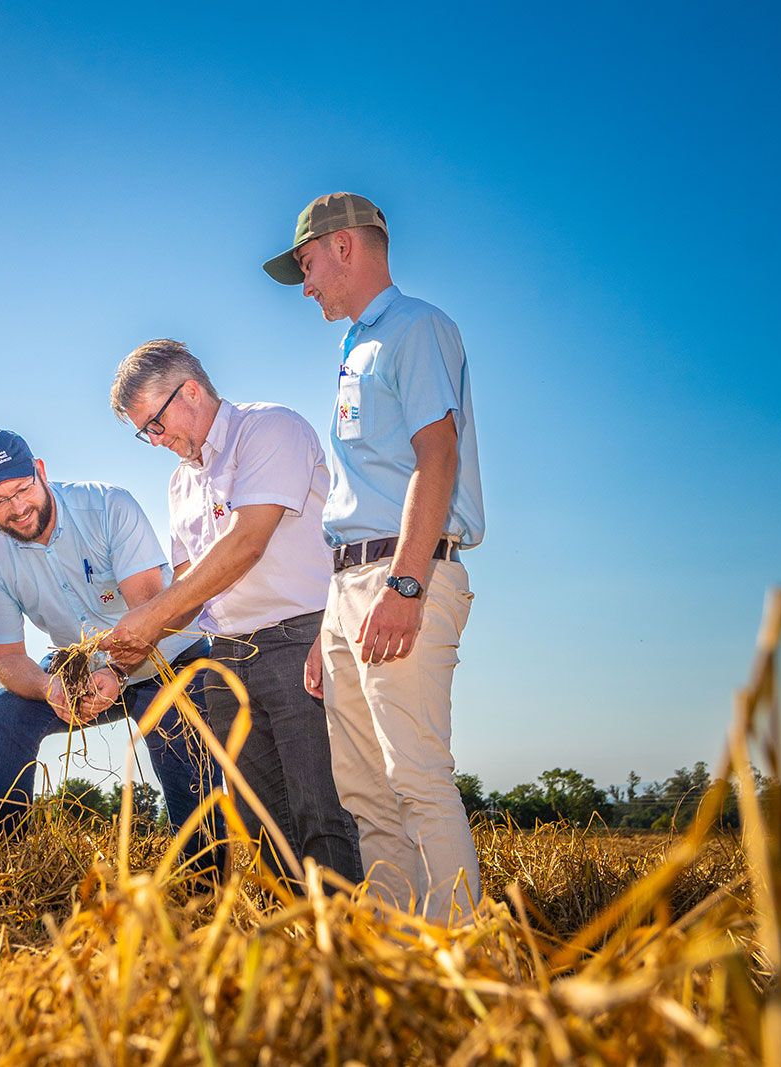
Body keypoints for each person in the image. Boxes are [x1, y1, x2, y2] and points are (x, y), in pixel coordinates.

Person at [263, 192, 486, 922]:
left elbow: (437, 453)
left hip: (402, 573)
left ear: (345, 246)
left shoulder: (415, 327)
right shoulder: (354, 345)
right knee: (363, 791)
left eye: (307, 263)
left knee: (415, 776)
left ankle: (463, 953)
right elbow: (361, 492)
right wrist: (334, 622)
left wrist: (407, 582)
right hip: (352, 584)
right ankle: (399, 958)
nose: (307, 284)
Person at [102, 339, 363, 891]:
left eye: (154, 422)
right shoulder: (180, 481)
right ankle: (298, 948)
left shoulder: (269, 429)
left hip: (301, 640)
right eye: (143, 431)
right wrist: (125, 651)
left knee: (322, 810)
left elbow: (247, 543)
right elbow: (190, 586)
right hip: (226, 659)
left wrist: (149, 620)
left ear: (190, 390)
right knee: (261, 824)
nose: (155, 440)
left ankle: (351, 949)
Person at [0, 428, 223, 876]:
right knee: (7, 710)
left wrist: (118, 675)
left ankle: (203, 882)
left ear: (40, 472)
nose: (17, 508)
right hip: (83, 667)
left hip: (165, 654)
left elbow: (149, 614)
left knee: (172, 733)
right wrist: (51, 688)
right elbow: (6, 658)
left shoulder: (107, 506)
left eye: (22, 489)